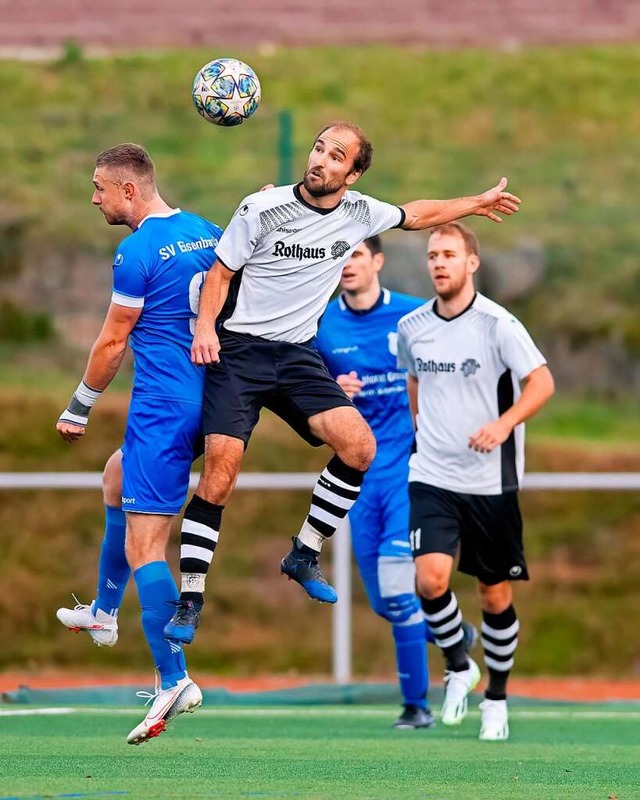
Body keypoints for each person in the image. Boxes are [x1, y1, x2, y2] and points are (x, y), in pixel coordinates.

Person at [164, 119, 521, 646]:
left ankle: (304, 553)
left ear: (351, 174)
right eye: (317, 149)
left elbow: (419, 214)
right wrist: (204, 332)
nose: (320, 160)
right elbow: (220, 274)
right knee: (220, 475)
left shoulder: (359, 213)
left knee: (359, 446)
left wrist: (474, 203)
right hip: (238, 353)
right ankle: (190, 599)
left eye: (336, 156)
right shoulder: (260, 207)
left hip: (296, 355)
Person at [55, 143, 224, 744]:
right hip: (213, 402)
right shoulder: (207, 231)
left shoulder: (135, 252)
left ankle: (174, 679)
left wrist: (78, 406)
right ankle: (104, 613)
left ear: (130, 190)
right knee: (115, 477)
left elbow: (111, 342)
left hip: (163, 408)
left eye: (99, 187)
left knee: (145, 543)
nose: (93, 197)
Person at [396, 221, 554, 741]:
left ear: (472, 263)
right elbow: (414, 379)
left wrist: (505, 424)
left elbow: (542, 381)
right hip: (433, 474)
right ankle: (460, 664)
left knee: (493, 594)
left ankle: (498, 699)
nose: (439, 262)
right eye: (433, 254)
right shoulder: (414, 326)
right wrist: (424, 431)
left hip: (491, 481)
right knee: (430, 580)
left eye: (449, 254)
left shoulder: (498, 325)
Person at [315, 235, 477, 729]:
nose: (348, 265)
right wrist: (330, 389)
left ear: (378, 261)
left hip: (410, 472)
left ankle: (416, 706)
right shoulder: (320, 325)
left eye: (357, 255)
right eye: (340, 256)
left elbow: (457, 368)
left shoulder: (415, 315)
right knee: (387, 604)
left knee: (399, 589)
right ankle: (457, 636)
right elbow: (301, 393)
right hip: (357, 478)